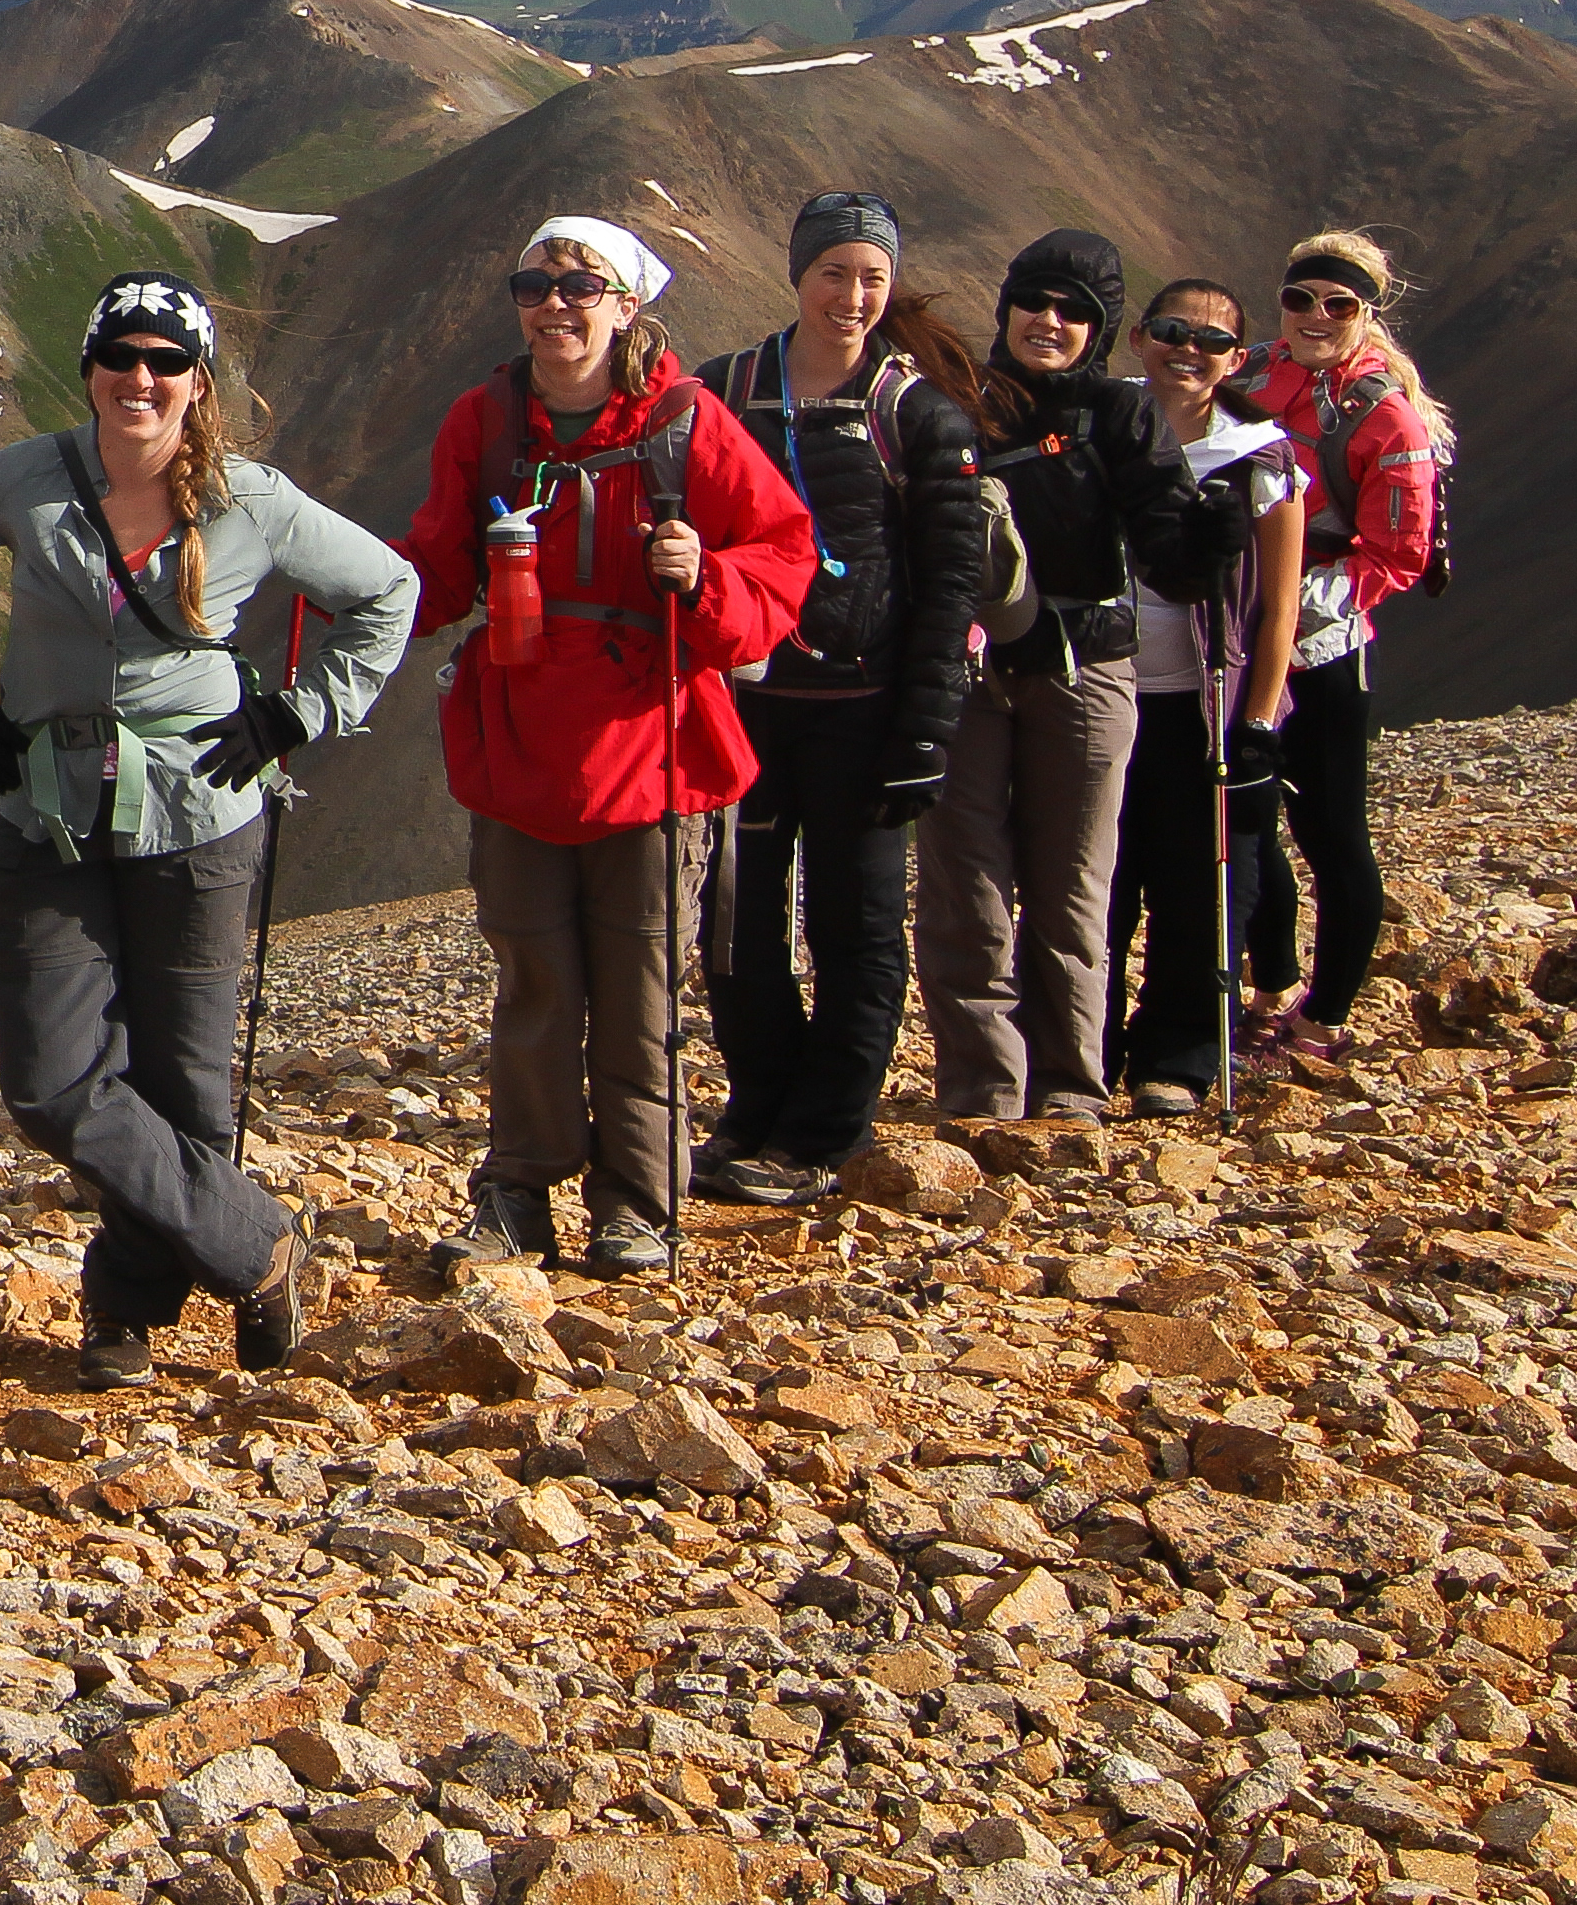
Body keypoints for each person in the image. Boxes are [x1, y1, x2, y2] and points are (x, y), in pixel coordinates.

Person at [0, 274, 412, 1382]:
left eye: (164, 362)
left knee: (188, 1085)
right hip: (48, 812)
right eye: (120, 357)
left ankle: (126, 1308)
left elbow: (389, 590)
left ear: (197, 383)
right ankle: (260, 1247)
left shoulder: (250, 498)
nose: (139, 379)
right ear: (90, 367)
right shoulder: (25, 479)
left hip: (202, 813)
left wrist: (299, 714)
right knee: (51, 1081)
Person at [396, 218, 815, 1280]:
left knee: (639, 988)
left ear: (628, 305)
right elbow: (438, 570)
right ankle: (522, 1197)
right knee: (536, 982)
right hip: (525, 748)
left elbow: (783, 558)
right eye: (534, 284)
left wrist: (705, 575)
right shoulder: (484, 423)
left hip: (652, 754)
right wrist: (327, 577)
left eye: (582, 286)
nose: (554, 305)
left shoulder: (688, 424)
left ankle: (639, 1205)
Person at [681, 191, 989, 1207]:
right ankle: (757, 1107)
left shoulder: (920, 413)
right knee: (736, 922)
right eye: (834, 273)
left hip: (867, 709)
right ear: (796, 273)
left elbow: (952, 584)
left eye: (872, 278)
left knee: (855, 923)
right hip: (750, 699)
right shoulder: (722, 393)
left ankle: (822, 1132)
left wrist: (927, 729)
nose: (852, 296)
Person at [918, 229, 1232, 1123]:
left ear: (1101, 329)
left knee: (1071, 886)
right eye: (1035, 302)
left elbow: (1170, 557)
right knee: (964, 884)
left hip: (1087, 666)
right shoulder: (949, 401)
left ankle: (1067, 1087)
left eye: (1074, 313)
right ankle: (982, 1090)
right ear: (1007, 304)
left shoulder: (1121, 416)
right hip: (967, 673)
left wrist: (1210, 542)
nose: (1048, 323)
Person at [1239, 227, 1447, 1074]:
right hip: (1227, 633)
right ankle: (1269, 988)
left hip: (1322, 647)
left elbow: (1398, 551)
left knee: (1329, 832)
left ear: (1368, 312)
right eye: (1301, 299)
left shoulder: (1385, 413)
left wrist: (1290, 616)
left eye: (1339, 305)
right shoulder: (1246, 372)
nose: (1316, 317)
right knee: (1244, 822)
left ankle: (1324, 1016)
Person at [1111, 278, 1306, 1113]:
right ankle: (1083, 1051)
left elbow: (1280, 605)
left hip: (1203, 703)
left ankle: (1179, 1058)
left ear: (1235, 358)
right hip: (1101, 693)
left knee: (1199, 884)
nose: (1187, 351)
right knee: (1100, 885)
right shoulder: (1100, 427)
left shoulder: (1259, 457)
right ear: (1137, 338)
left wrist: (1259, 720)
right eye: (1169, 330)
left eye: (1211, 341)